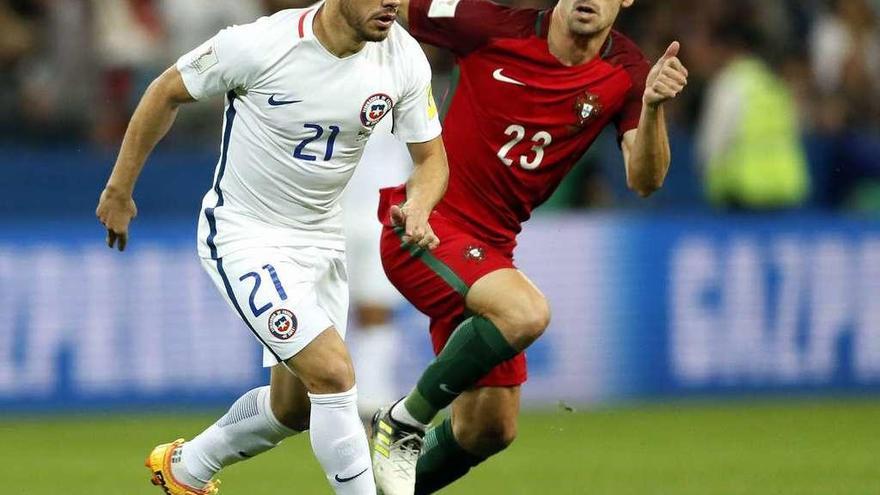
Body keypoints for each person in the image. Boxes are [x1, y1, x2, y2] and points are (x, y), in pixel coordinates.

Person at [95, 0, 448, 493]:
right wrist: (119, 188)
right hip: (245, 233)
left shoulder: (402, 57)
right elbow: (165, 92)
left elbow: (431, 159)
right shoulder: (259, 44)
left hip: (323, 240)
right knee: (333, 373)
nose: (393, 2)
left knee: (294, 408)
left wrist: (421, 204)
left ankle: (185, 468)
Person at [368, 0, 689, 493]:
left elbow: (644, 180)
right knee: (526, 313)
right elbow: (386, 7)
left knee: (489, 428)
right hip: (424, 226)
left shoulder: (628, 74)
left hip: (491, 255)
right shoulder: (489, 25)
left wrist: (652, 108)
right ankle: (404, 421)